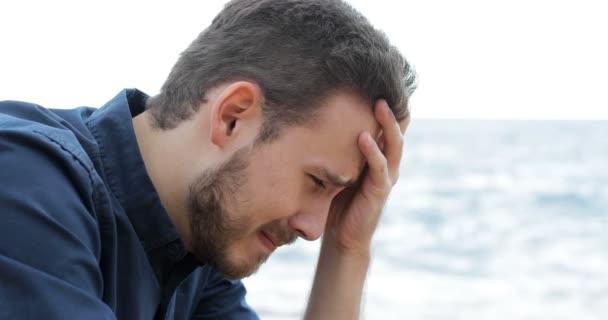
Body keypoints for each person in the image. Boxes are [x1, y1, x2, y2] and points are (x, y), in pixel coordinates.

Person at [0, 0, 416, 319]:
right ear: (233, 116)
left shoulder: (198, 249)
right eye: (318, 182)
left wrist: (348, 248)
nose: (313, 230)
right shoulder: (24, 182)